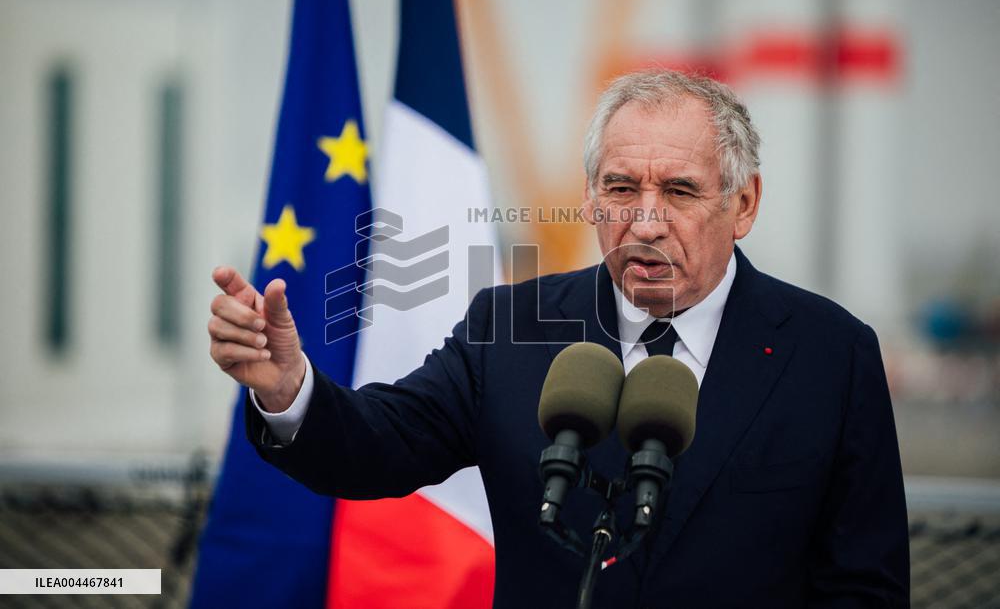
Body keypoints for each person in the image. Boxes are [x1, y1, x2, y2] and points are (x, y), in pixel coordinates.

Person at [208, 70, 909, 607]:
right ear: (590, 198)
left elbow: (864, 586)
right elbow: (378, 445)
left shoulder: (830, 355)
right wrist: (289, 390)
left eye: (680, 192)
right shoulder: (512, 327)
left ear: (744, 203)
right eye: (621, 189)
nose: (645, 221)